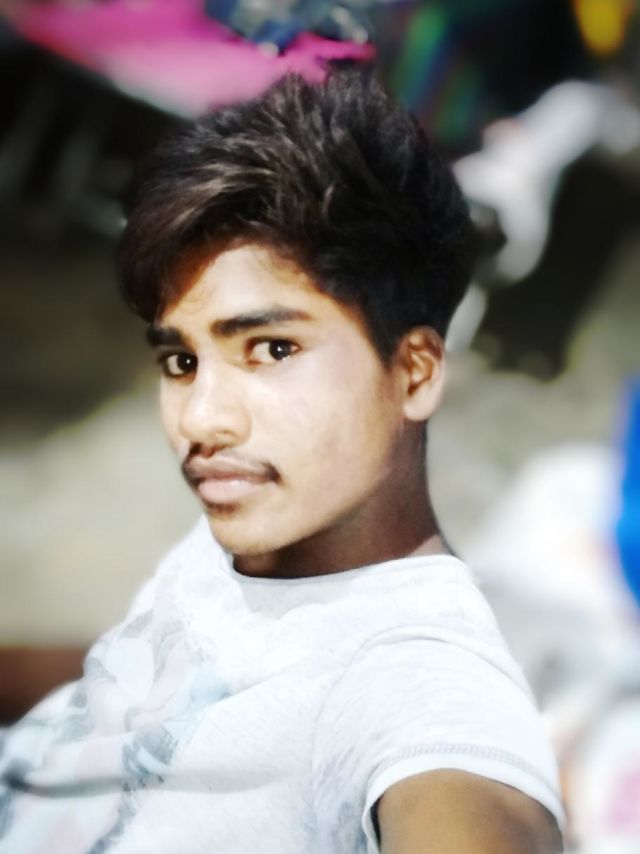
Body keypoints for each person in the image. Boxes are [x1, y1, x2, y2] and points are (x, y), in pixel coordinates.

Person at [0, 71, 564, 852]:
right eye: (182, 361)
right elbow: (128, 700)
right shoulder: (261, 528)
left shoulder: (417, 691)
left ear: (415, 373)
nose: (201, 420)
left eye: (271, 349)